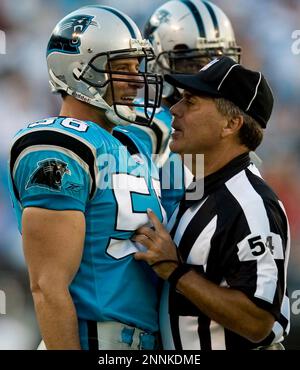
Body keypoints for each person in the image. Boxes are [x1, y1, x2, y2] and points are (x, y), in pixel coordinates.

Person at [8, 5, 165, 350]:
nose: (136, 79)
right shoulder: (58, 145)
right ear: (78, 72)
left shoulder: (131, 140)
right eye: (121, 68)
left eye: (136, 67)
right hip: (94, 338)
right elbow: (48, 287)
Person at [133, 56, 290, 350]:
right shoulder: (201, 191)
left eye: (190, 102)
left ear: (231, 123)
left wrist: (176, 271)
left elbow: (258, 320)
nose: (174, 110)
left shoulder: (251, 204)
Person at [118, 0, 242, 218]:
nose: (209, 80)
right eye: (195, 66)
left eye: (218, 65)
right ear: (158, 65)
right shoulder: (147, 126)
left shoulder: (226, 126)